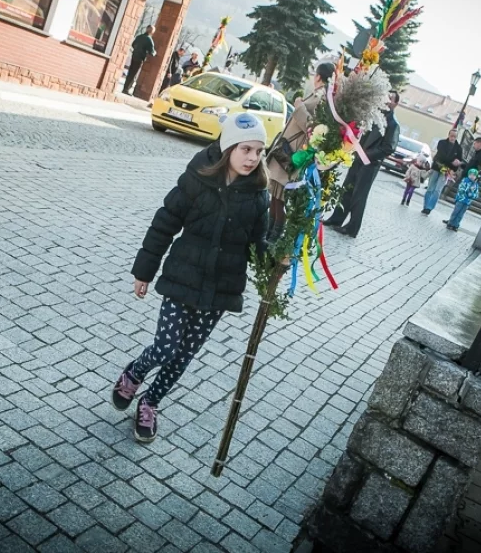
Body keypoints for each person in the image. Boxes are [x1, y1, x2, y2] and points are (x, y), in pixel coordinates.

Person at [112, 112, 273, 443]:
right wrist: (144, 270)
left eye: (259, 151)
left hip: (219, 290)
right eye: (246, 149)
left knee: (183, 356)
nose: (253, 158)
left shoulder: (258, 196)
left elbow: (259, 246)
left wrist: (275, 260)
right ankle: (135, 372)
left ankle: (150, 402)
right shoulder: (198, 178)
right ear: (228, 147)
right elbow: (165, 222)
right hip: (183, 278)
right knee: (166, 347)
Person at [265, 61, 336, 241]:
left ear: (318, 76)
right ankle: (268, 229)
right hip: (286, 147)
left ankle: (274, 234)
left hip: (293, 152)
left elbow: (313, 127)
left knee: (280, 196)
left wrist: (299, 106)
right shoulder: (318, 94)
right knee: (274, 193)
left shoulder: (322, 97)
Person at [323, 90, 401, 237]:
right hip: (357, 159)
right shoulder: (373, 115)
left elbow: (389, 147)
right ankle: (336, 219)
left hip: (370, 164)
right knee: (346, 190)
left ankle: (352, 228)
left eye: (390, 98)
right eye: (386, 96)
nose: (386, 99)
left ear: (395, 104)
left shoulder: (393, 124)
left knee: (359, 196)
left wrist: (367, 155)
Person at [421, 129, 463, 215]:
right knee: (430, 188)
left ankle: (429, 208)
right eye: (451, 136)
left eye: (454, 136)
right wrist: (452, 161)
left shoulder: (458, 148)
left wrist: (455, 166)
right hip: (437, 167)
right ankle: (425, 206)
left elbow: (459, 160)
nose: (452, 138)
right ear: (448, 135)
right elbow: (442, 155)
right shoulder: (442, 143)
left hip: (447, 171)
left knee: (438, 190)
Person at [122, 25, 156, 95]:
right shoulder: (149, 40)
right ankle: (126, 89)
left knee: (130, 72)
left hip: (134, 56)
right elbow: (152, 52)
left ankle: (125, 87)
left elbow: (133, 44)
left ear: (146, 29)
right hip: (140, 58)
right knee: (134, 74)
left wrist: (137, 49)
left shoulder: (139, 36)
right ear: (152, 32)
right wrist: (154, 53)